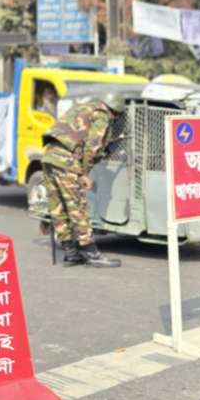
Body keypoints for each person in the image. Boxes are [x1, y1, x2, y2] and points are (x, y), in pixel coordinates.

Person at [40, 92, 125, 268]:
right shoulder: (101, 114)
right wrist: (84, 173)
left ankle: (71, 253)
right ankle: (91, 253)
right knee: (77, 207)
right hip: (66, 160)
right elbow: (92, 147)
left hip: (49, 156)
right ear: (115, 111)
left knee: (58, 207)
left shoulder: (83, 107)